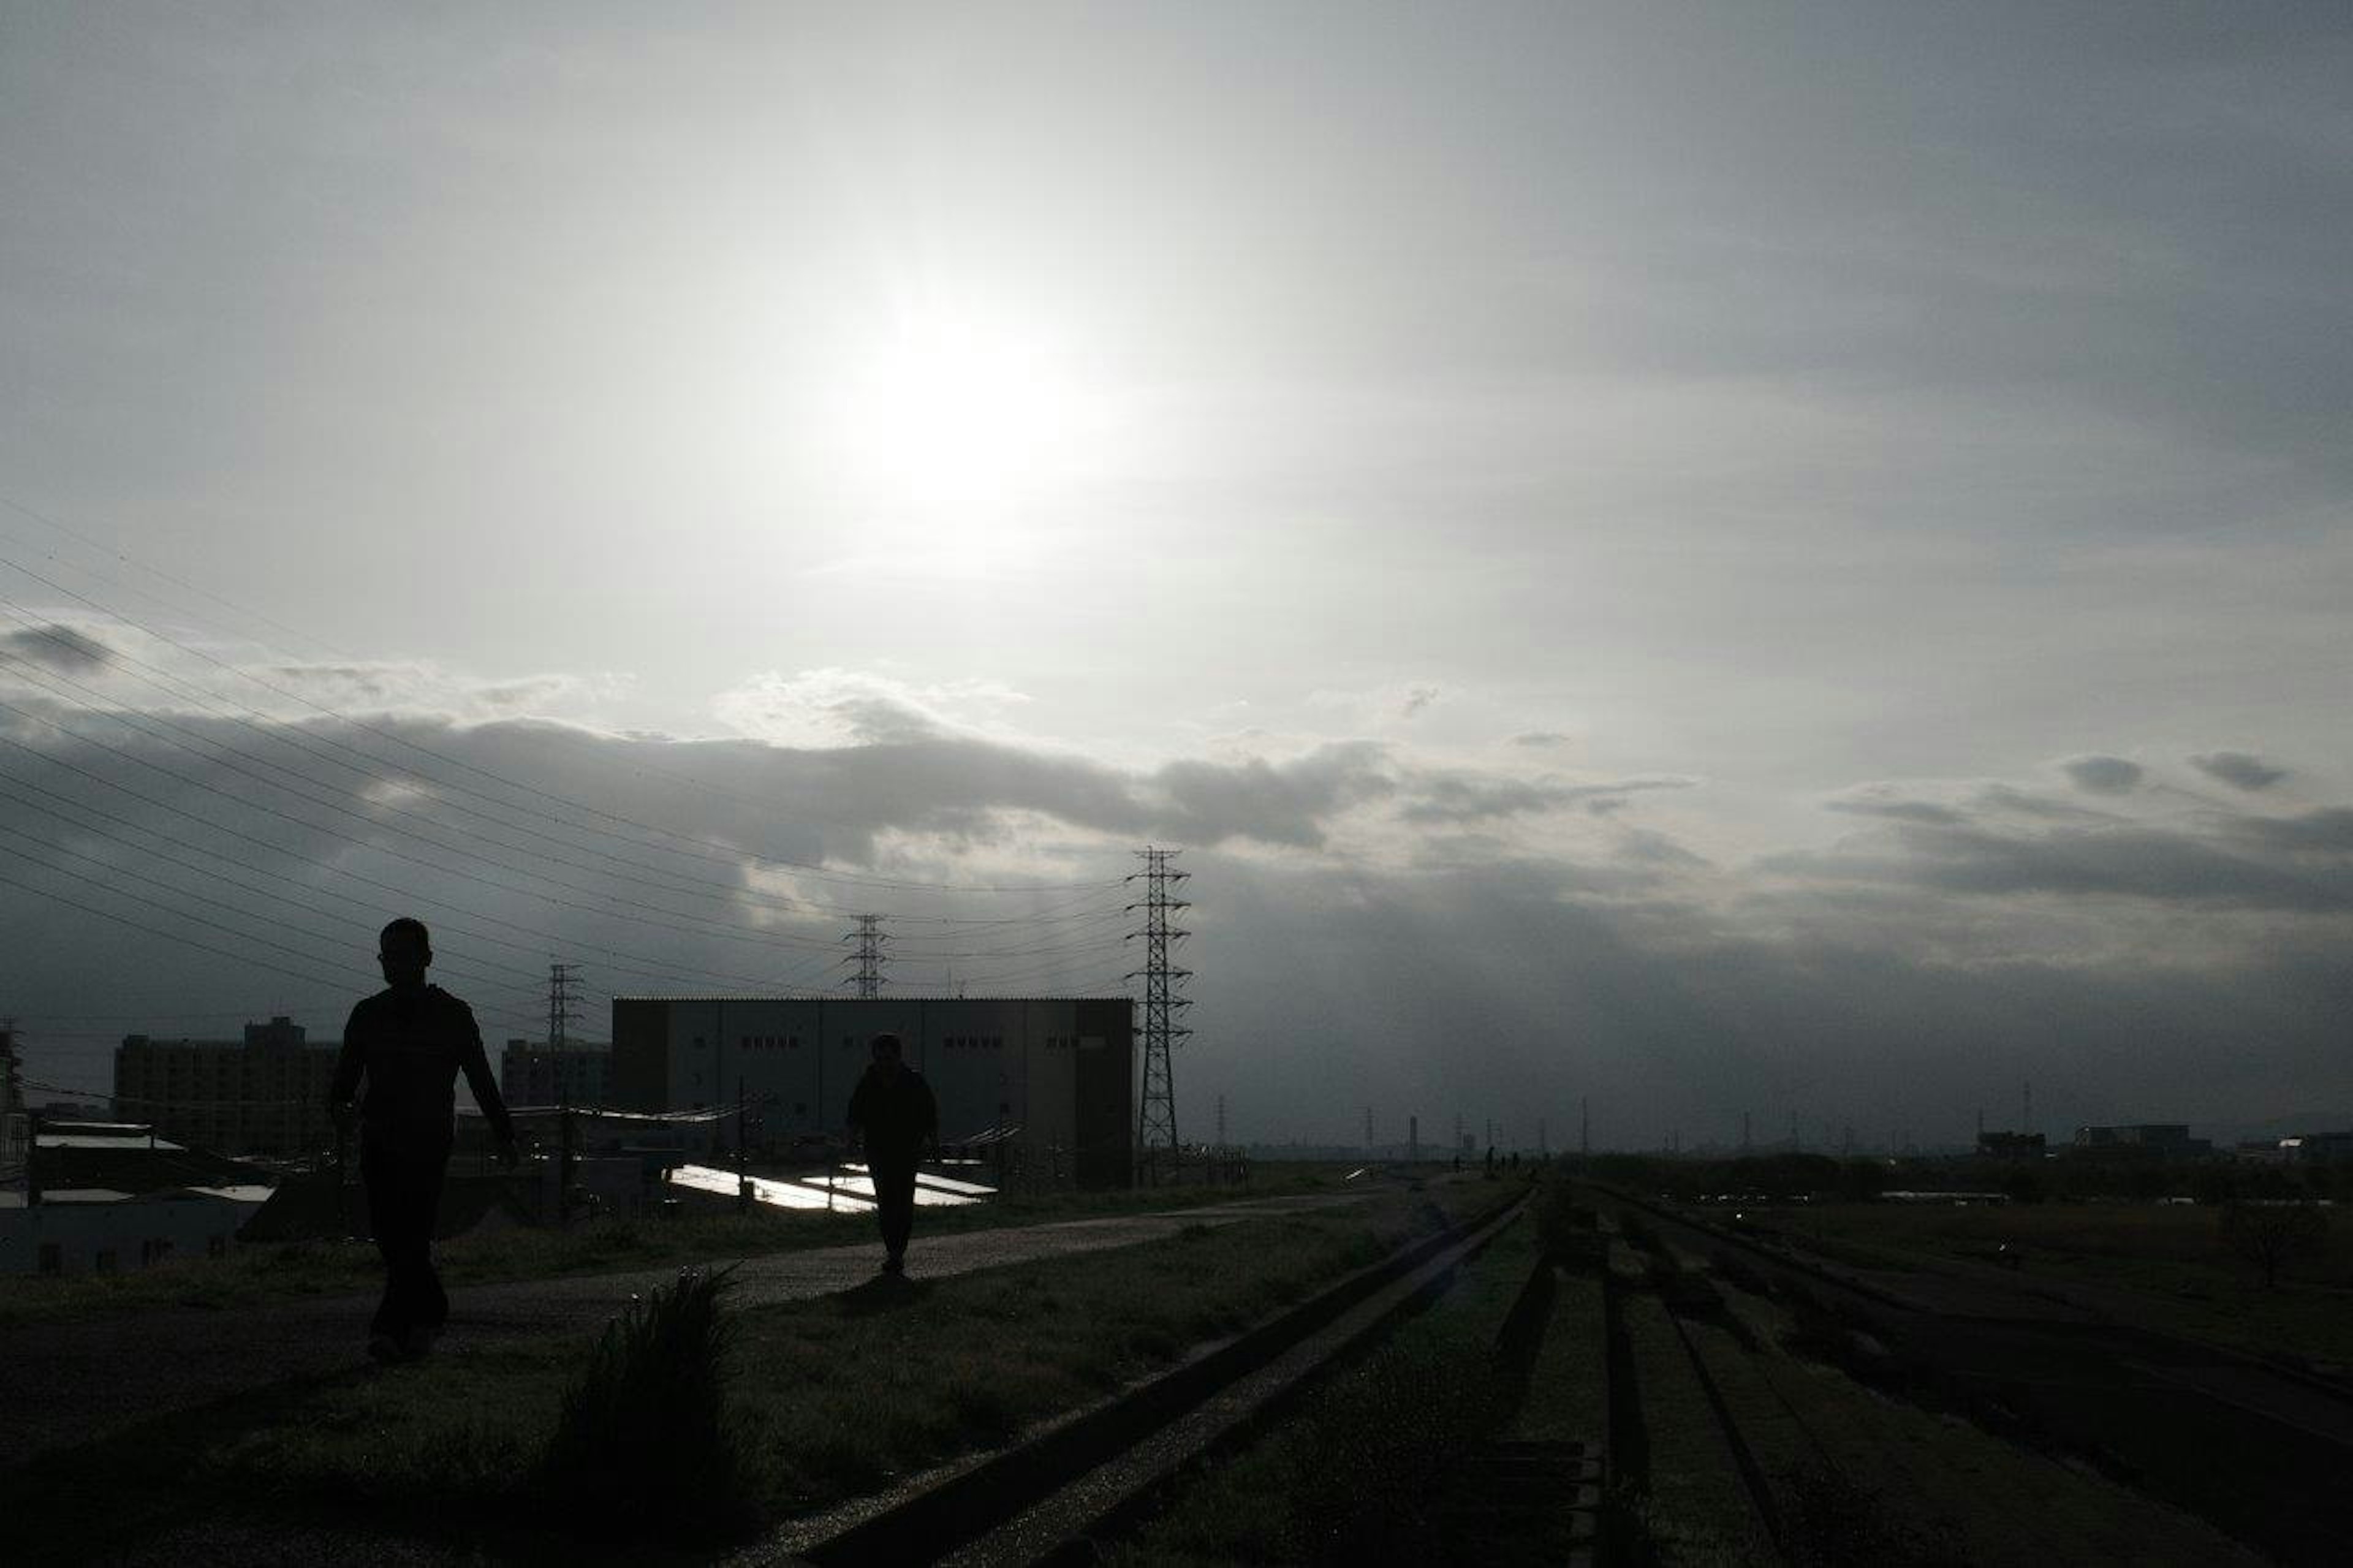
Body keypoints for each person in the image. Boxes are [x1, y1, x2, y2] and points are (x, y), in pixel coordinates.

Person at [329, 917, 518, 1362]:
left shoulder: (453, 1015)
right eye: (386, 956)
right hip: (380, 1138)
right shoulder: (367, 1014)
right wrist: (341, 1111)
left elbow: (482, 1080)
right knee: (391, 1233)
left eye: (401, 955)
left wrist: (504, 1134)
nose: (392, 964)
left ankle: (393, 1329)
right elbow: (342, 1084)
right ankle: (428, 1312)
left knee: (410, 1232)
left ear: (426, 958)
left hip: (429, 1139)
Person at [846, 1031, 938, 1275]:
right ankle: (893, 1251)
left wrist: (933, 1143)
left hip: (907, 1150)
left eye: (888, 1058)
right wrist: (851, 1141)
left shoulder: (913, 1082)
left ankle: (897, 1251)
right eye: (880, 1059)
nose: (884, 1064)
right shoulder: (868, 1083)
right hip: (878, 1150)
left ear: (898, 1057)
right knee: (886, 1201)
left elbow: (930, 1114)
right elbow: (856, 1114)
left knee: (903, 1200)